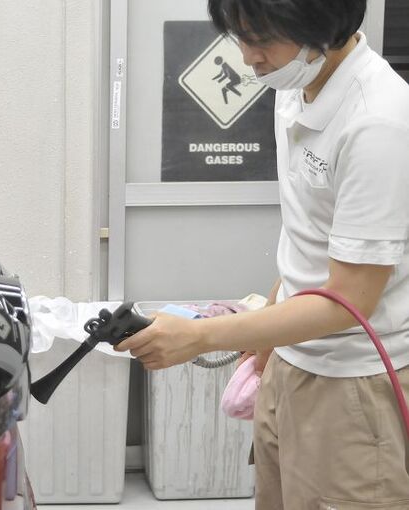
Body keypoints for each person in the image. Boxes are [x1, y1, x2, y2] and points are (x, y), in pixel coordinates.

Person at [115, 0, 409, 508]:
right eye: (239, 36)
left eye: (262, 38)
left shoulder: (380, 121)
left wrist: (202, 337)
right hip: (289, 359)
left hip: (353, 384)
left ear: (322, 25)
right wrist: (269, 324)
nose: (248, 58)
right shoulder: (294, 89)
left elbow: (349, 301)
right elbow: (305, 229)